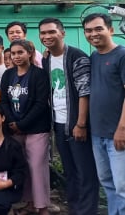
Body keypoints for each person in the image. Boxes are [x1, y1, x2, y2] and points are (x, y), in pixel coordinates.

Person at [38, 17, 99, 214]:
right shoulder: (47, 59)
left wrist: (80, 124)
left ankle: (87, 210)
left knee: (85, 172)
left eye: (51, 32)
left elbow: (85, 92)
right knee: (70, 171)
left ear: (62, 33)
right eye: (43, 33)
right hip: (58, 123)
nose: (47, 36)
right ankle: (74, 209)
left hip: (76, 124)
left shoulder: (77, 56)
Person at [0, 39, 52, 215]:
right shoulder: (8, 75)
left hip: (36, 128)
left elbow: (40, 103)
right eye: (13, 53)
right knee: (23, 167)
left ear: (30, 53)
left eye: (20, 52)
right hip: (14, 128)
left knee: (37, 166)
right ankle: (29, 202)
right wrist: (12, 123)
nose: (16, 56)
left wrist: (22, 123)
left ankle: (42, 206)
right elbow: (4, 101)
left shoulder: (39, 74)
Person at [82, 13, 125, 214]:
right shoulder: (94, 57)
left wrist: (122, 129)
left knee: (122, 186)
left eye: (98, 28)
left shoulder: (122, 55)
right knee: (107, 183)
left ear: (111, 29)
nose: (93, 34)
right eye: (89, 30)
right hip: (98, 133)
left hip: (117, 134)